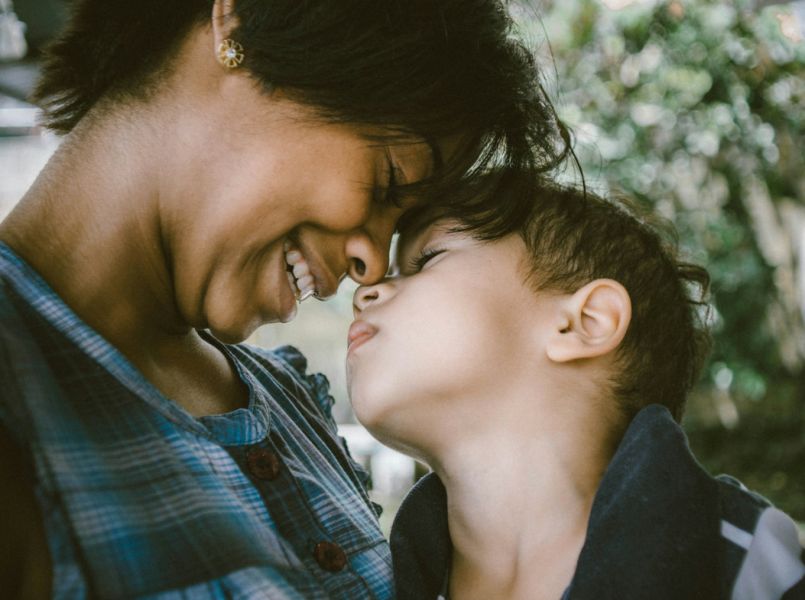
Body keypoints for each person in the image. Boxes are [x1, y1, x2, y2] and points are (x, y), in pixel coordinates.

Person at [0, 0, 572, 597]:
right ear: (238, 26)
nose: (372, 264)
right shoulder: (16, 377)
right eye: (389, 182)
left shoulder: (292, 407)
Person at [347, 175, 805, 600]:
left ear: (584, 322)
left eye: (427, 259)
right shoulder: (359, 581)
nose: (364, 291)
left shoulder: (750, 564)